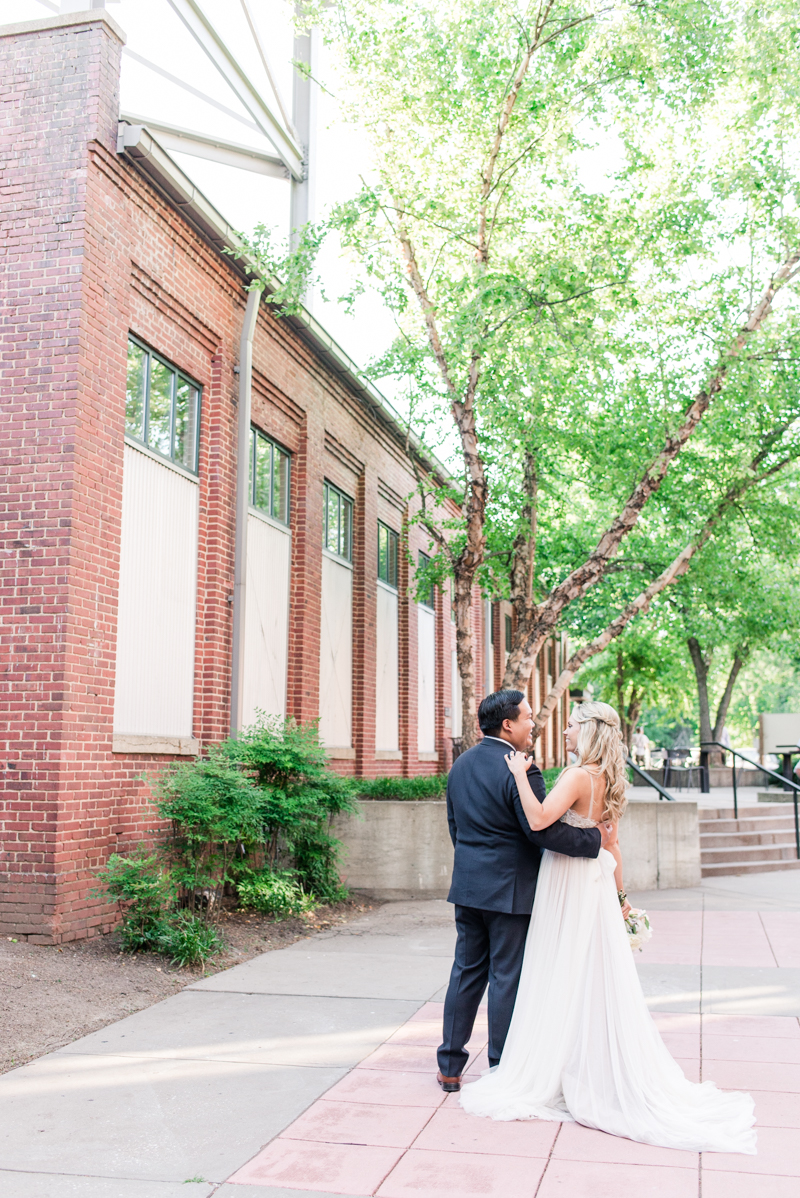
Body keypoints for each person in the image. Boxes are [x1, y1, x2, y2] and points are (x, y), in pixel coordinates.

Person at [459, 700, 756, 1155]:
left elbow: (539, 820)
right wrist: (621, 899)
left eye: (572, 726)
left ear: (590, 732)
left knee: (558, 971)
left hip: (567, 885)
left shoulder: (578, 776)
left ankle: (552, 1065)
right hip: (595, 886)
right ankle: (583, 1061)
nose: (563, 731)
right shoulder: (609, 778)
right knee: (591, 975)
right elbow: (612, 846)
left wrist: (520, 774)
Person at [436, 690, 613, 1094]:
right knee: (506, 978)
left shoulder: (461, 765)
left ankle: (449, 1065)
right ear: (508, 725)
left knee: (465, 971)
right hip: (511, 891)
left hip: (468, 886)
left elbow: (455, 827)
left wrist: (472, 867)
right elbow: (541, 831)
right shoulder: (521, 770)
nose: (535, 723)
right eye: (529, 717)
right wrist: (594, 842)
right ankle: (500, 1066)